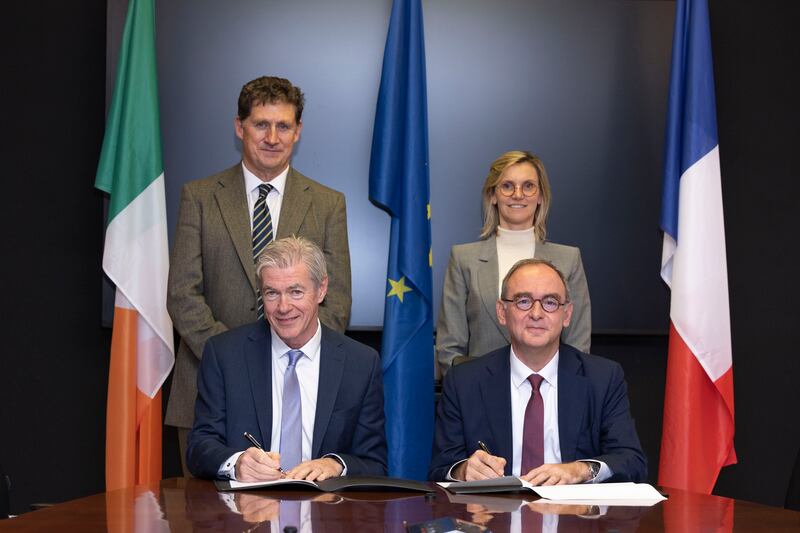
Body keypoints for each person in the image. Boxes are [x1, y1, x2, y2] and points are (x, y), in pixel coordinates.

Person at [166, 76, 352, 474]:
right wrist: (237, 361)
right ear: (240, 127)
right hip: (209, 392)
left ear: (298, 132)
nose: (272, 137)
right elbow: (183, 295)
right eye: (260, 124)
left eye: (283, 126)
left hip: (302, 391)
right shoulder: (199, 196)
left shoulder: (327, 204)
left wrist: (287, 357)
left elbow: (336, 302)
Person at [429, 259, 646, 484]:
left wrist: (580, 470)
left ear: (567, 314)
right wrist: (463, 471)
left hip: (574, 514)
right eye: (523, 301)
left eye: (550, 302)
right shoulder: (464, 381)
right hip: (492, 513)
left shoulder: (603, 378)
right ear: (502, 312)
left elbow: (631, 461)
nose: (536, 313)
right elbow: (439, 469)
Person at [187, 236, 386, 480]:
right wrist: (237, 463)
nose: (283, 307)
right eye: (272, 293)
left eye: (295, 292)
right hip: (246, 511)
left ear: (321, 289)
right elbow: (199, 447)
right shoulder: (225, 354)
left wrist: (335, 464)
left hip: (327, 512)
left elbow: (375, 463)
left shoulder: (361, 363)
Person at [436, 150, 591, 372]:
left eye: (528, 186)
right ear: (492, 195)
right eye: (507, 186)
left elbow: (578, 346)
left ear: (540, 197)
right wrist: (468, 397)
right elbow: (449, 349)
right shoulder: (463, 259)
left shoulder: (569, 260)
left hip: (547, 397)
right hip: (480, 398)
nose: (518, 194)